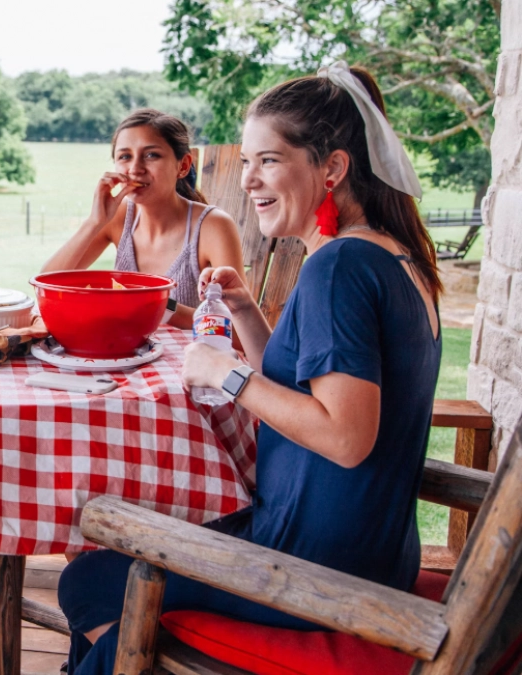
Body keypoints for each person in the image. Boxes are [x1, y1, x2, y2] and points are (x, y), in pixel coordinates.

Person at [56, 63, 442, 674]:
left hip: (315, 567)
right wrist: (245, 314)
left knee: (88, 582)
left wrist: (224, 374)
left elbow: (345, 436)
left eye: (268, 161)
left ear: (333, 168)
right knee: (103, 582)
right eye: (247, 163)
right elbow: (307, 393)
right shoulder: (395, 258)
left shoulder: (338, 267)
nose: (251, 180)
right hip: (371, 553)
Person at [41, 109, 243, 329]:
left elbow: (238, 331)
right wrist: (94, 222)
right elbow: (46, 284)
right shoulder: (119, 217)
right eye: (125, 156)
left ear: (183, 165)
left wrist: (161, 304)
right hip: (122, 349)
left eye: (151, 155)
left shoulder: (213, 227)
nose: (135, 169)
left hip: (185, 359)